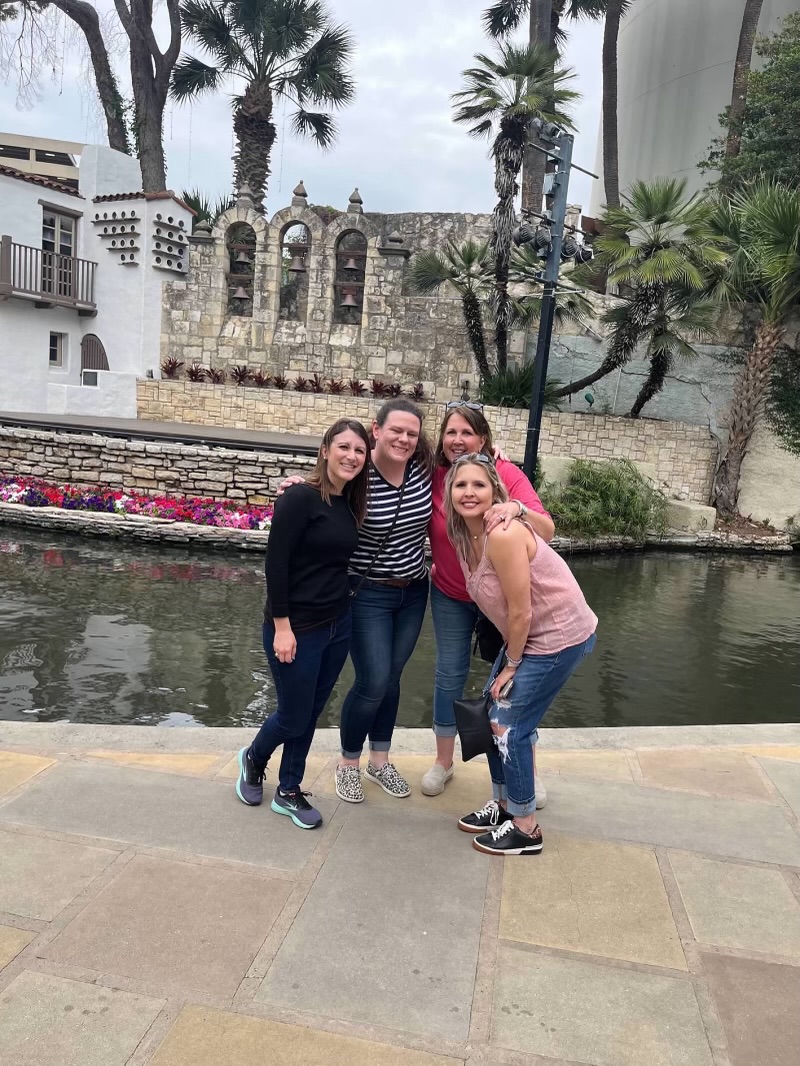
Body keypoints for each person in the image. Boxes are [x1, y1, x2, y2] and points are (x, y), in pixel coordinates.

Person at [444, 454, 597, 855]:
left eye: (479, 484)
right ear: (451, 493)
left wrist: (511, 664)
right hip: (529, 639)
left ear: (495, 490)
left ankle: (526, 827)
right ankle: (505, 806)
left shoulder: (504, 534)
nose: (469, 493)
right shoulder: (463, 536)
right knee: (491, 712)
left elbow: (521, 610)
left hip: (558, 637)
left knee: (508, 726)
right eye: (461, 485)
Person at [235, 418, 370, 828]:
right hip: (296, 627)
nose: (351, 456)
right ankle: (254, 758)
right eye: (344, 447)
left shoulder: (350, 501)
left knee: (310, 711)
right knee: (293, 715)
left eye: (360, 451)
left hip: (337, 624)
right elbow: (276, 564)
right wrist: (281, 625)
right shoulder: (298, 499)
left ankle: (289, 790)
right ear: (325, 449)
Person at [422, 401, 556, 800]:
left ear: (483, 439)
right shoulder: (432, 476)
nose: (458, 440)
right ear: (441, 439)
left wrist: (515, 507)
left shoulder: (503, 473)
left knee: (515, 680)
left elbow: (546, 529)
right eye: (451, 432)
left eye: (467, 432)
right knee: (449, 674)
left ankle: (526, 766)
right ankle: (443, 761)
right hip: (450, 592)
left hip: (500, 599)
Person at [335, 398, 434, 804]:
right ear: (376, 430)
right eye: (396, 430)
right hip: (368, 592)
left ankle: (380, 760)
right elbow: (323, 483)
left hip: (413, 590)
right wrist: (291, 483)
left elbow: (469, 457)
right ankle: (348, 764)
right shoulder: (359, 470)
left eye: (412, 433)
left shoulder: (424, 469)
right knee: (372, 680)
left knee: (392, 678)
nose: (404, 439)